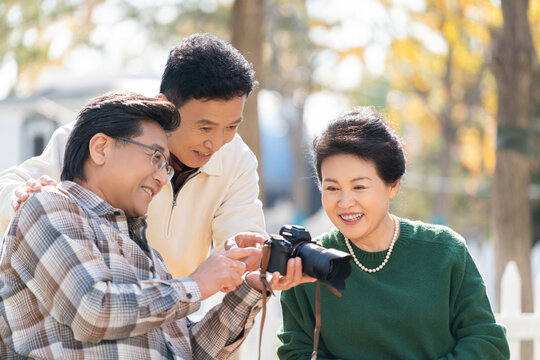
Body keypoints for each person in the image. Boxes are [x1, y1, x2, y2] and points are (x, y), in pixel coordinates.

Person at [0, 91, 307, 359]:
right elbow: (92, 311)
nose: (163, 177)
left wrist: (251, 289)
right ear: (101, 149)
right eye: (156, 158)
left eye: (166, 165)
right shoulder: (47, 206)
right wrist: (195, 285)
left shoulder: (148, 255)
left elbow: (188, 350)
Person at [0, 33, 264, 277]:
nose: (216, 143)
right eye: (204, 127)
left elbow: (243, 233)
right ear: (166, 106)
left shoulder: (237, 159)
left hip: (172, 315)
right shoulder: (104, 138)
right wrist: (23, 197)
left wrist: (246, 249)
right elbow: (10, 188)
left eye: (231, 126)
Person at [277, 107, 510, 359]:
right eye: (332, 188)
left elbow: (487, 342)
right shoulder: (308, 262)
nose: (345, 202)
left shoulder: (445, 250)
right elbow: (295, 351)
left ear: (393, 185)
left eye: (359, 186)